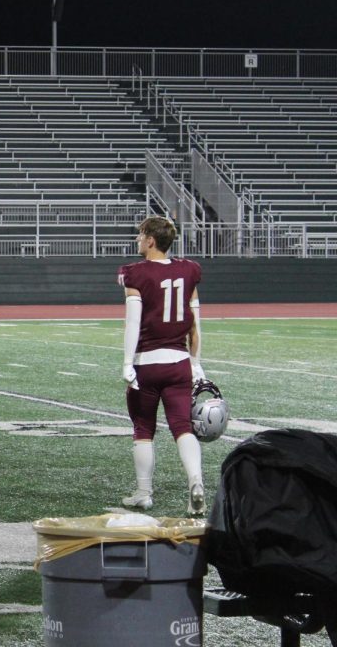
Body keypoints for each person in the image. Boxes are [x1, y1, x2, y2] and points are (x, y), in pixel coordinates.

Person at [118, 216, 207, 515]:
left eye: (141, 234)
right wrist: (196, 362)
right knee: (183, 427)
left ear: (151, 240)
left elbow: (132, 324)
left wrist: (128, 362)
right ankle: (196, 482)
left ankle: (144, 492)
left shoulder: (136, 273)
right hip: (180, 362)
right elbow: (196, 324)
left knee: (143, 428)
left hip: (148, 361)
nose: (137, 239)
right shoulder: (189, 269)